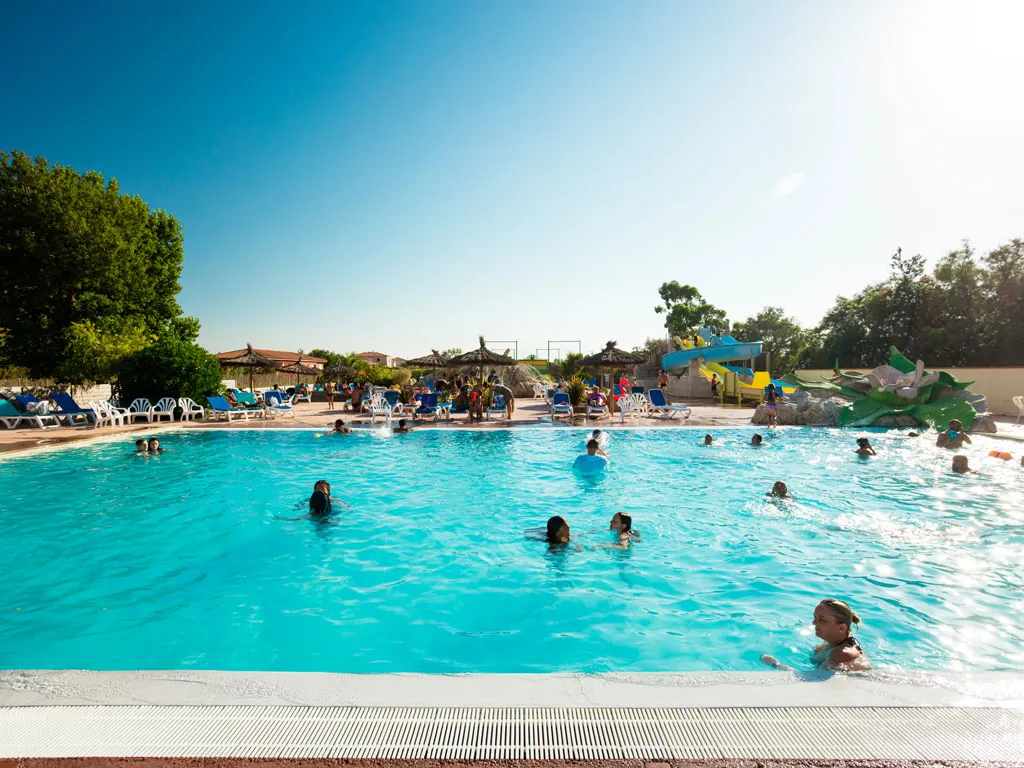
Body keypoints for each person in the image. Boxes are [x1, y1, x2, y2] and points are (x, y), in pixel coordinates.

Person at [761, 599, 869, 672]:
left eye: (822, 620)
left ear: (841, 628)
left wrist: (776, 665)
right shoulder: (831, 645)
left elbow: (813, 683)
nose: (814, 623)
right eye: (815, 617)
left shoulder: (839, 653)